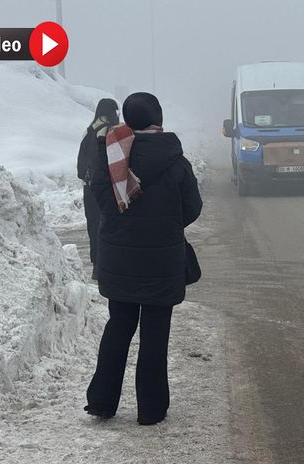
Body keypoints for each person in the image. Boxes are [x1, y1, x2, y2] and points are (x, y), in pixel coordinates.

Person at [85, 92, 203, 425]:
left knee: (118, 326)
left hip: (118, 259)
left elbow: (100, 199)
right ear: (158, 120)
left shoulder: (109, 156)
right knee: (155, 332)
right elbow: (192, 207)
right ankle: (151, 410)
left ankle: (101, 402)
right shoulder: (175, 160)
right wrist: (163, 226)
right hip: (161, 261)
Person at [76, 98, 119, 271]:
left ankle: (96, 261)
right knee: (106, 222)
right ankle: (105, 262)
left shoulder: (89, 129)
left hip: (89, 186)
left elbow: (81, 161)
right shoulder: (108, 131)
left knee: (93, 223)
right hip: (103, 185)